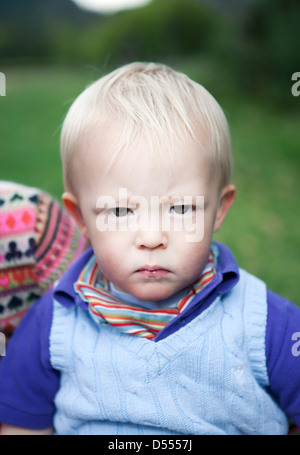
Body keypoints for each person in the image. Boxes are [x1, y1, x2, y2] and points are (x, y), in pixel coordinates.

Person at [0, 63, 299, 435]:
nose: (152, 237)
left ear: (219, 209)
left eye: (180, 208)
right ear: (81, 217)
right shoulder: (55, 321)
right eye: (121, 211)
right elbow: (20, 425)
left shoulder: (265, 323)